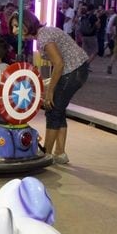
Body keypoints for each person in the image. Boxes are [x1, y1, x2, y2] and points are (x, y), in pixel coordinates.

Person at [37, 26, 90, 165]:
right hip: (78, 70)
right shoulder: (46, 32)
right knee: (59, 111)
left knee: (53, 110)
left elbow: (59, 64)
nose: (14, 30)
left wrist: (50, 91)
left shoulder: (44, 37)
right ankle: (60, 153)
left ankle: (46, 154)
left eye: (17, 26)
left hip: (72, 72)